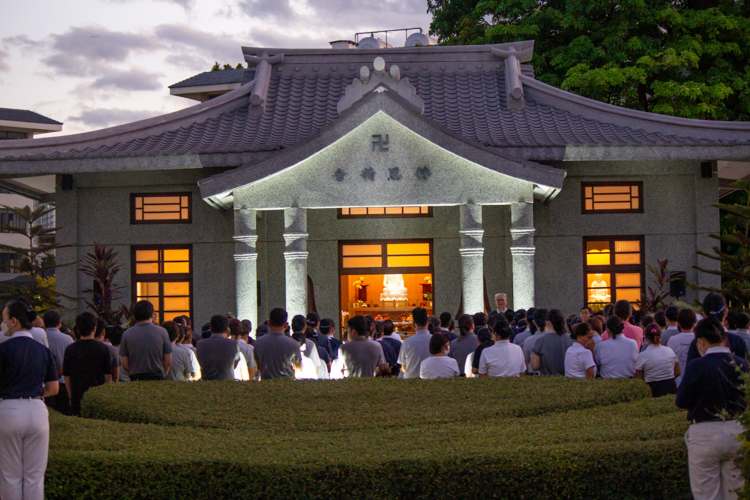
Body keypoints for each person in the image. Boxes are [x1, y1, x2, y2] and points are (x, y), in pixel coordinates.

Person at [676, 317, 749, 500]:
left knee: (706, 494)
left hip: (704, 434)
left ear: (700, 341)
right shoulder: (741, 364)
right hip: (737, 431)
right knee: (736, 493)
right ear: (724, 339)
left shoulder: (696, 366)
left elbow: (681, 401)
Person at [0, 299, 59, 500]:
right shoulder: (43, 351)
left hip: (8, 409)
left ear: (14, 321)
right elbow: (53, 388)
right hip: (37, 409)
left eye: (4, 319)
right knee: (35, 476)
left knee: (10, 475)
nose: (3, 324)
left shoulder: (3, 350)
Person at [63, 313, 112, 416]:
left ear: (78, 330)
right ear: (94, 328)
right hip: (97, 396)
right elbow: (108, 376)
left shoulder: (70, 349)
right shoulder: (103, 348)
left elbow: (67, 376)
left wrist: (71, 396)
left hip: (77, 395)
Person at [119, 300, 172, 381]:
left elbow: (125, 364)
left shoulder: (126, 334)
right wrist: (163, 374)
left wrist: (131, 374)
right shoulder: (162, 332)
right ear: (152, 315)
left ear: (134, 316)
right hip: (157, 376)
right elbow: (168, 361)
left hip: (136, 377)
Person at [253, 308, 302, 379]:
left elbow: (259, 366)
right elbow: (298, 369)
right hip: (287, 385)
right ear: (286, 325)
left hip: (266, 385)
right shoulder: (293, 343)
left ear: (269, 323)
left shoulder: (258, 342)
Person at [42, 309, 73, 415]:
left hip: (44, 385)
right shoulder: (68, 339)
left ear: (44, 323)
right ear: (59, 323)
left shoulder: (40, 338)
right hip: (64, 384)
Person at [636, 323, 680, 397]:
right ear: (660, 337)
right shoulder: (670, 351)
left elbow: (639, 379)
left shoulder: (642, 356)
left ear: (646, 338)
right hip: (671, 387)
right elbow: (678, 372)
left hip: (653, 389)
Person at [197, 315, 241, 381]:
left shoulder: (200, 344)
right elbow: (234, 365)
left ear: (210, 329)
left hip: (207, 383)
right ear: (226, 330)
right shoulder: (234, 344)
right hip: (228, 383)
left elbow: (201, 363)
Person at [531, 309, 573, 376]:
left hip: (548, 381)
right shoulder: (570, 339)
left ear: (547, 322)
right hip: (567, 379)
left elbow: (535, 366)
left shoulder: (541, 340)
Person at [397, 307, 432, 379]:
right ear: (428, 321)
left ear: (413, 323)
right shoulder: (435, 340)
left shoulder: (407, 342)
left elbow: (403, 367)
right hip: (430, 380)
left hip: (411, 380)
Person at [666, 308, 696, 387]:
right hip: (696, 382)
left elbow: (669, 361)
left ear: (679, 323)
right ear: (694, 323)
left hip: (678, 382)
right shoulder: (699, 339)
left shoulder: (672, 340)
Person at [94, 318, 120, 383]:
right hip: (104, 386)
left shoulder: (79, 348)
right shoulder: (111, 349)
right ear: (103, 332)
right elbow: (116, 375)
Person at [522, 309, 548, 374]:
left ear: (534, 322)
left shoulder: (528, 341)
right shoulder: (554, 338)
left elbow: (526, 362)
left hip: (533, 375)